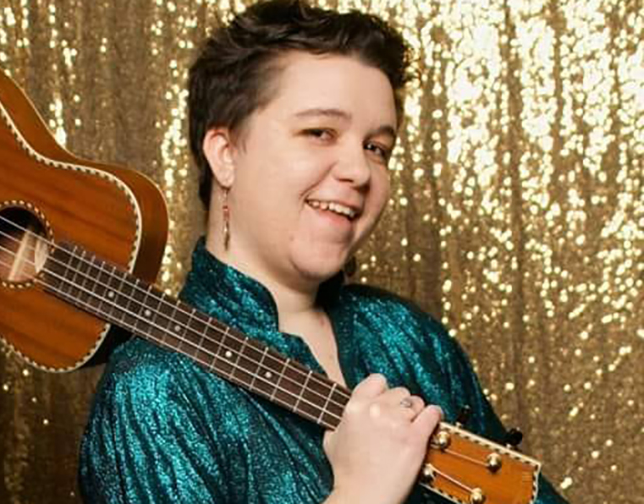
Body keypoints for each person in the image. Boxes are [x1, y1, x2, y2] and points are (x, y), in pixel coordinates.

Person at [78, 1, 568, 503]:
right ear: (226, 154)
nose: (359, 170)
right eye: (320, 133)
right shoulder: (153, 392)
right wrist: (361, 492)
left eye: (377, 146)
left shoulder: (407, 335)